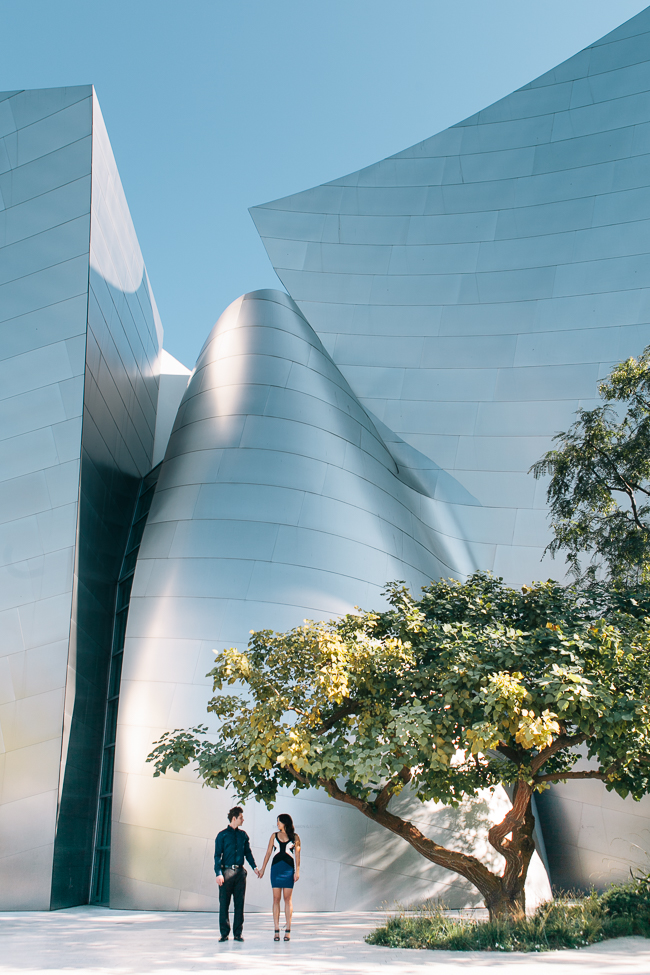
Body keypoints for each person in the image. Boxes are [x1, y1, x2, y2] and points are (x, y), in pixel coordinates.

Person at [214, 806, 261, 942]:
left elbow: (248, 853)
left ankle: (238, 933)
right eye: (241, 817)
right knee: (224, 903)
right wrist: (218, 873)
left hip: (240, 873)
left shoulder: (243, 835)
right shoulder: (222, 835)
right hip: (226, 872)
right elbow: (217, 855)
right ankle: (224, 933)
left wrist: (254, 867)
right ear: (234, 818)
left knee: (239, 903)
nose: (243, 820)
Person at [259, 813, 301, 941]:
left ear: (285, 822)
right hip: (276, 870)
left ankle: (288, 930)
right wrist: (263, 869)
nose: (277, 824)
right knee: (276, 898)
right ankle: (276, 929)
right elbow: (268, 852)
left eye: (279, 822)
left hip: (288, 870)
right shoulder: (274, 836)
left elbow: (298, 856)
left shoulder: (295, 837)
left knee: (287, 899)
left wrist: (297, 871)